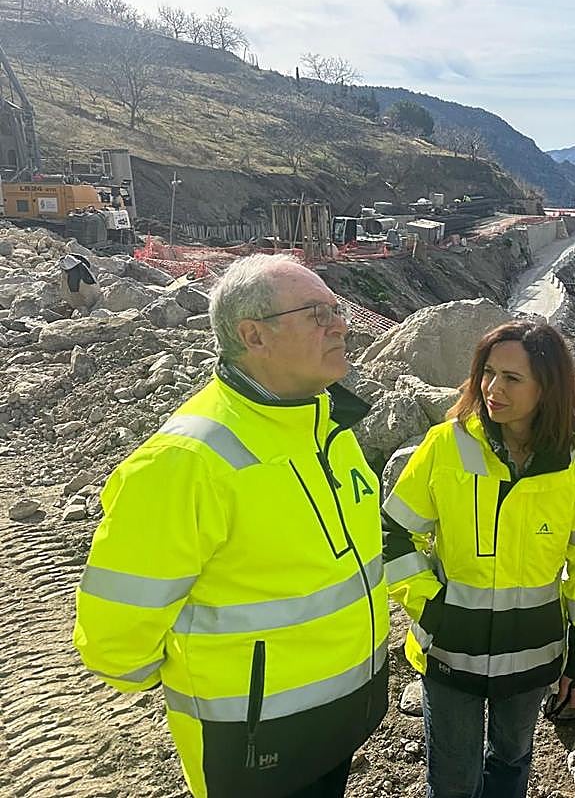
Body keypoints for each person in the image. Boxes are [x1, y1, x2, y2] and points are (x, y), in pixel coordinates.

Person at [74, 254, 389, 798]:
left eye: (336, 310)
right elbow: (115, 641)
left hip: (340, 722)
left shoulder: (324, 427)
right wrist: (213, 685)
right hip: (252, 748)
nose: (341, 325)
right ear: (254, 336)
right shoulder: (187, 461)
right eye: (317, 313)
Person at [383, 320, 575, 798]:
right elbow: (394, 533)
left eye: (512, 378)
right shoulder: (447, 445)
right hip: (450, 649)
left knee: (510, 763)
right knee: (453, 780)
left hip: (532, 653)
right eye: (488, 372)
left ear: (547, 386)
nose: (492, 388)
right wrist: (432, 608)